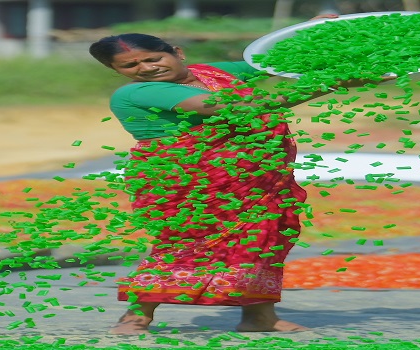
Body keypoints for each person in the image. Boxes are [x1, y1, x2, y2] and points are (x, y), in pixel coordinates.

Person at [88, 14, 371, 335]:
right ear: (117, 71)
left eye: (155, 58)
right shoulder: (136, 94)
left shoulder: (213, 72)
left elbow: (274, 60)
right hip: (188, 181)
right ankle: (136, 317)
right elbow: (227, 108)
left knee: (261, 239)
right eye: (131, 66)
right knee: (186, 242)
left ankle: (259, 317)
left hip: (254, 177)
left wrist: (313, 28)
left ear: (177, 52)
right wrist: (329, 84)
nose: (147, 68)